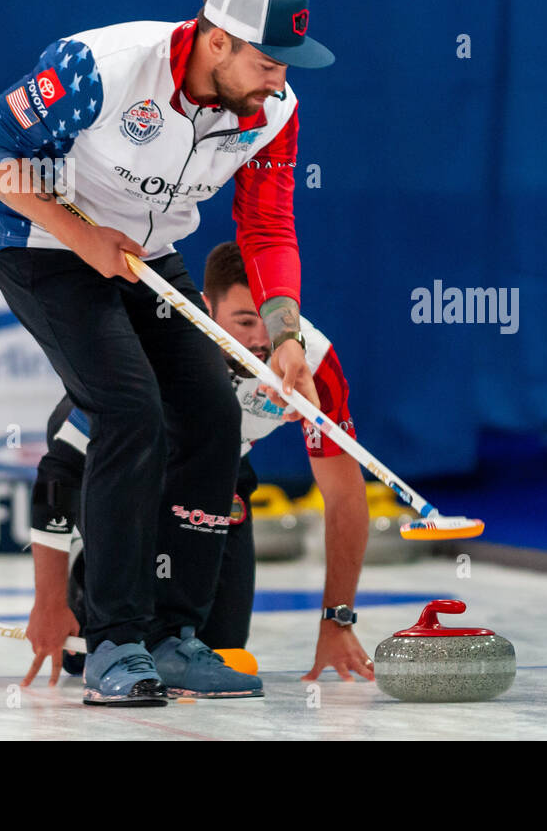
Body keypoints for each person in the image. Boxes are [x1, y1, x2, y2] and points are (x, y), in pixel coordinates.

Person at [0, 0, 333, 705]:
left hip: (148, 259)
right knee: (130, 407)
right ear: (216, 41)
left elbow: (265, 226)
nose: (275, 82)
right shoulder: (101, 67)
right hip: (44, 249)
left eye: (284, 67)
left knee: (212, 414)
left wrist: (285, 330)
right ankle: (114, 642)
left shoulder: (273, 109)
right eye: (263, 63)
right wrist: (80, 233)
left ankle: (173, 635)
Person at [22, 242, 375, 689]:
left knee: (220, 645)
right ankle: (93, 580)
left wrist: (337, 621)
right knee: (111, 636)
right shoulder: (164, 345)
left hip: (218, 478)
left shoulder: (311, 362)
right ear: (205, 308)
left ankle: (158, 626)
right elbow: (60, 474)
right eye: (243, 322)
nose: (258, 343)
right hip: (129, 471)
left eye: (270, 324)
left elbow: (344, 496)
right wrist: (50, 600)